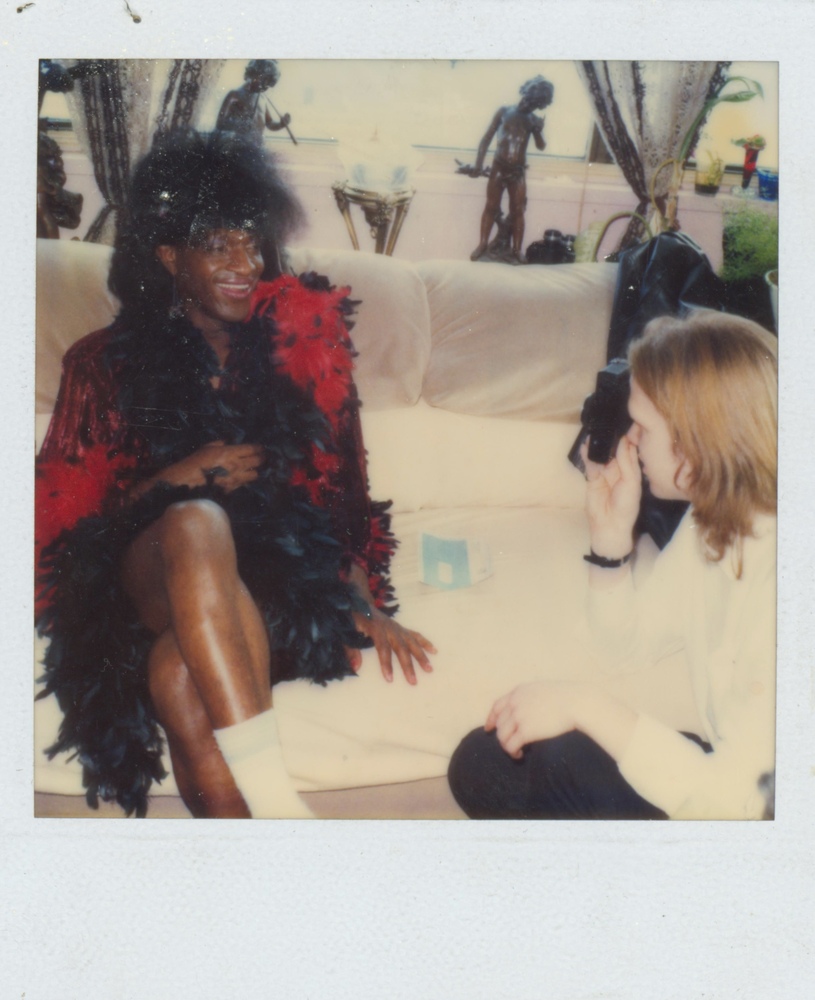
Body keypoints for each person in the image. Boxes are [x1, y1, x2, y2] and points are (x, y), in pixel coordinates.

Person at [35, 129, 435, 819]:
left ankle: (255, 862)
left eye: (252, 242)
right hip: (142, 584)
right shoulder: (101, 365)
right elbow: (67, 535)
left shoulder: (306, 356)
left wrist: (364, 606)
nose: (243, 262)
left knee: (176, 676)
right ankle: (278, 802)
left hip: (264, 591)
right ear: (167, 256)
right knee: (196, 518)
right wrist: (179, 478)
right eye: (216, 244)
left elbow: (344, 507)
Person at [448, 311, 777, 820]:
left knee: (553, 762)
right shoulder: (713, 520)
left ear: (694, 440)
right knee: (483, 760)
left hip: (760, 823)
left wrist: (582, 705)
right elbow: (625, 647)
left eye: (643, 427)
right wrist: (609, 539)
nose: (631, 440)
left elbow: (747, 805)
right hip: (731, 777)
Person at [458, 75, 554, 263]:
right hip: (498, 168)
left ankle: (517, 250)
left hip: (517, 172)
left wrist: (538, 131)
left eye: (535, 104)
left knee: (518, 211)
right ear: (524, 92)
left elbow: (541, 146)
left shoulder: (533, 120)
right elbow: (485, 139)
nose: (529, 105)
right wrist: (478, 164)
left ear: (539, 106)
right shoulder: (503, 111)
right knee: (491, 206)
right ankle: (483, 244)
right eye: (528, 99)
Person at [216, 59, 294, 144]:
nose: (266, 87)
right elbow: (220, 123)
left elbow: (269, 123)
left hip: (256, 148)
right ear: (252, 74)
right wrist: (239, 125)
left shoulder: (263, 99)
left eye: (269, 83)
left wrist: (280, 124)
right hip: (237, 146)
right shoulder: (234, 95)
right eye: (264, 80)